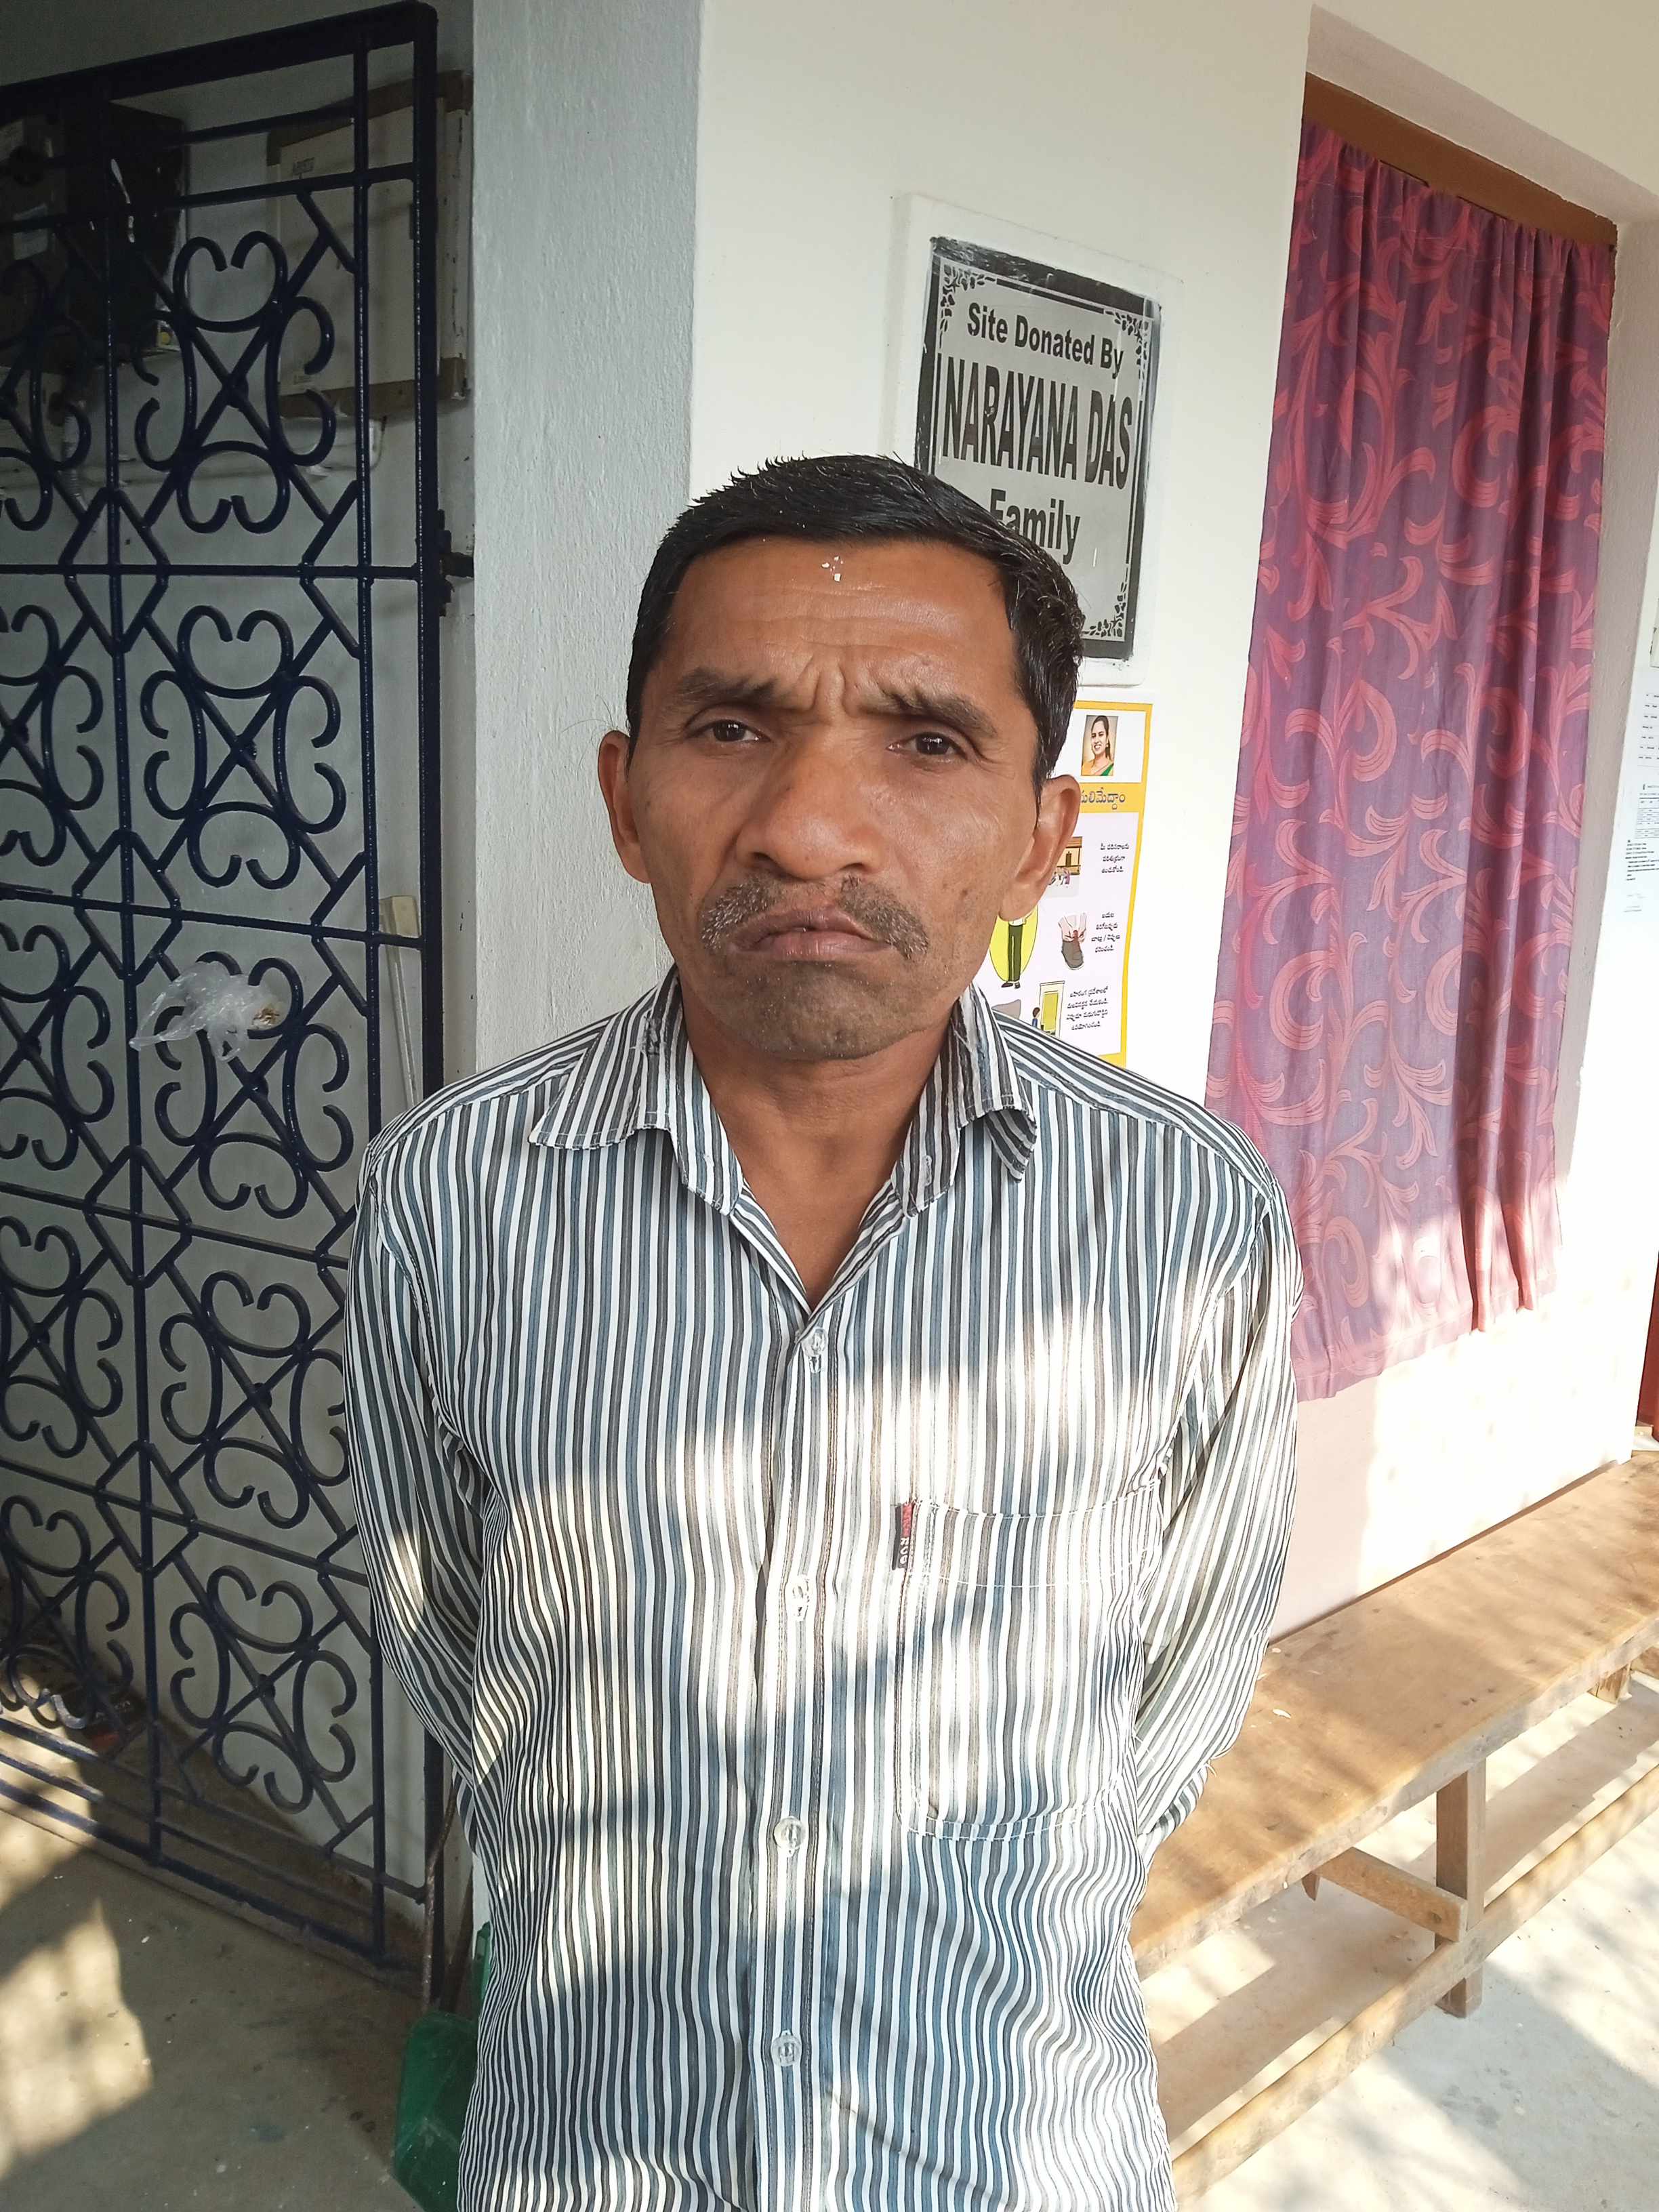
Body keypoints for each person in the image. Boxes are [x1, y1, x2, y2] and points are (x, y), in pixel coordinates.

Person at [345, 454, 1300, 2212]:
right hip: (590, 2151)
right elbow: (456, 1639)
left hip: (1005, 2151)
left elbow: (1179, 1685)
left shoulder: (1190, 1216)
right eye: (732, 727)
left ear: (1042, 838)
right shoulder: (449, 1199)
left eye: (926, 741)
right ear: (627, 798)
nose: (809, 827)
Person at [1082, 710, 1116, 776]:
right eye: (1093, 736)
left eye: (1101, 735)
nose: (1096, 740)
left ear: (1107, 739)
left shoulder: (1113, 769)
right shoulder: (1085, 767)